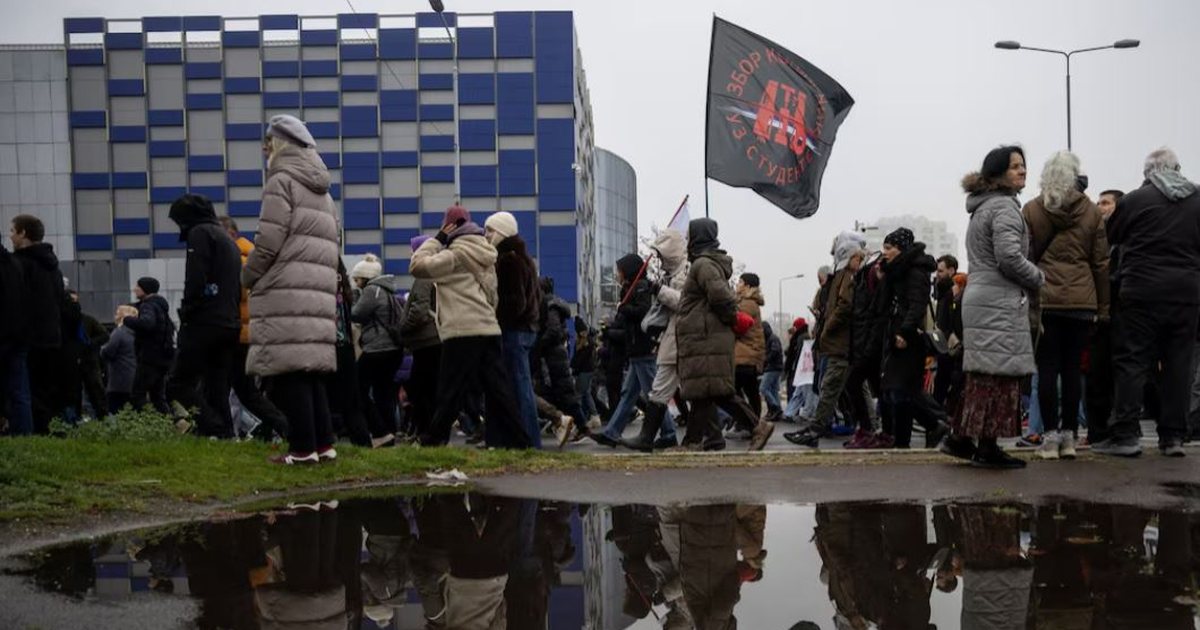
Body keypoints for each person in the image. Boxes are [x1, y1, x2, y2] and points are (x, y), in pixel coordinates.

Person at [244, 115, 341, 463]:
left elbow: (268, 240)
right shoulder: (324, 193)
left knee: (288, 374)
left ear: (279, 146)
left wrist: (249, 276)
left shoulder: (281, 181)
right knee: (310, 372)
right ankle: (323, 444)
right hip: (315, 291)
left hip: (284, 287)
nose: (265, 151)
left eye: (268, 144)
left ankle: (301, 450)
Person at [941, 145, 1044, 469]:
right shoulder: (1004, 208)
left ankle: (967, 439)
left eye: (1023, 165)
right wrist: (1038, 276)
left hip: (983, 297)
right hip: (997, 300)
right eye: (1015, 166)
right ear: (998, 173)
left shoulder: (983, 207)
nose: (1022, 171)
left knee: (986, 375)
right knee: (999, 376)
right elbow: (1009, 257)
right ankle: (983, 446)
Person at [1096, 148, 1200, 458]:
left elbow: (1111, 234)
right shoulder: (1197, 199)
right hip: (1186, 293)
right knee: (1179, 364)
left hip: (1141, 291)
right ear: (1177, 169)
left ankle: (1127, 435)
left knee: (1132, 361)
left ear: (1148, 174)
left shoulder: (1136, 200)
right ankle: (1173, 438)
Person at [410, 205, 531, 449]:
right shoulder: (487, 254)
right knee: (499, 389)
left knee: (450, 388)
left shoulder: (453, 256)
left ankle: (434, 439)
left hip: (461, 329)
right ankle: (521, 441)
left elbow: (417, 266)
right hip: (487, 327)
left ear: (450, 227)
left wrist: (438, 239)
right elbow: (493, 294)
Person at [1021, 151, 1110, 460]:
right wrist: (1103, 307)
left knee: (1046, 370)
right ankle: (1070, 437)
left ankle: (1048, 439)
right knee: (1072, 370)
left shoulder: (1032, 209)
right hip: (1082, 302)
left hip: (1046, 300)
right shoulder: (1091, 211)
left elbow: (1025, 257)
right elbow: (1100, 263)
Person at [676, 218, 768, 451]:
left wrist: (731, 319)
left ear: (698, 237)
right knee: (704, 393)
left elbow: (720, 297)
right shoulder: (706, 263)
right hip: (705, 338)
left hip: (706, 339)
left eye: (690, 235)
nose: (687, 240)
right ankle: (692, 442)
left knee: (717, 392)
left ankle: (757, 426)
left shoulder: (703, 264)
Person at [165, 193, 242, 438]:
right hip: (229, 322)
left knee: (178, 383)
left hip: (204, 321)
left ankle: (211, 427)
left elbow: (195, 279)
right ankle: (225, 434)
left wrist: (187, 310)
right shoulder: (226, 239)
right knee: (216, 386)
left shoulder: (199, 235)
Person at [786, 233, 864, 447]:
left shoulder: (847, 277)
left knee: (832, 387)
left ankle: (818, 429)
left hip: (841, 344)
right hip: (836, 344)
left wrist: (827, 328)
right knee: (836, 388)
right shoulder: (840, 277)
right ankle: (822, 428)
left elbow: (843, 307)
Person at [217, 215, 288, 442]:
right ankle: (280, 428)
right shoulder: (250, 257)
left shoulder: (234, 260)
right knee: (244, 391)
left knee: (233, 390)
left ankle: (227, 433)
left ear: (230, 234)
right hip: (249, 332)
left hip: (237, 332)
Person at [875, 228, 945, 449]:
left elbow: (916, 307)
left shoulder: (915, 272)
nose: (884, 252)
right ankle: (921, 432)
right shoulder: (894, 271)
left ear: (901, 248)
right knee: (897, 391)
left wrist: (904, 332)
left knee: (901, 391)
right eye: (884, 248)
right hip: (894, 334)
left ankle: (931, 425)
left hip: (908, 339)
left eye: (889, 248)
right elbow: (883, 305)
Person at [620, 229, 689, 452]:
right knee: (661, 389)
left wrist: (658, 290)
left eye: (661, 254)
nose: (658, 259)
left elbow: (683, 302)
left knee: (703, 391)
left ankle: (651, 437)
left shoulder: (684, 272)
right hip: (673, 337)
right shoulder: (673, 273)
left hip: (681, 337)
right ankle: (649, 437)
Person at [484, 211, 543, 448]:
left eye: (490, 230)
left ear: (501, 232)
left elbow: (514, 302)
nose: (486, 235)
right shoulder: (523, 258)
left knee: (518, 387)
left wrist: (496, 319)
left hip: (513, 331)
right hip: (524, 329)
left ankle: (528, 441)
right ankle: (520, 440)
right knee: (517, 386)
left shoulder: (507, 260)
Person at [11, 214, 72, 433]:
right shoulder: (52, 267)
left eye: (13, 231)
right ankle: (45, 429)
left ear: (23, 233)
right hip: (52, 335)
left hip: (28, 336)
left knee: (25, 389)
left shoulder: (20, 264)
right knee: (45, 389)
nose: (10, 235)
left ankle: (30, 432)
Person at [594, 253, 658, 447]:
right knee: (629, 394)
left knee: (655, 397)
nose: (617, 274)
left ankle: (669, 431)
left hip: (641, 346)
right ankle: (612, 432)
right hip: (635, 347)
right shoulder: (630, 289)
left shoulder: (641, 288)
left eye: (620, 270)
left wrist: (624, 309)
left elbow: (642, 312)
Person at [350, 253, 406, 447]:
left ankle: (379, 430)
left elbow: (356, 314)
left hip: (376, 349)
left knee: (358, 390)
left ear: (365, 277)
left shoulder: (371, 290)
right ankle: (388, 433)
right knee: (384, 393)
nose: (355, 283)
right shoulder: (388, 290)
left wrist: (354, 297)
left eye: (357, 279)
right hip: (393, 349)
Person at [532, 276, 592, 447]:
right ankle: (573, 424)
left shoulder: (550, 306)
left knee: (562, 394)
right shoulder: (553, 305)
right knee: (560, 394)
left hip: (552, 358)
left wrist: (537, 344)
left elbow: (553, 331)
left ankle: (577, 425)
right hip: (554, 356)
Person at [1086, 189, 1124, 445]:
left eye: (1106, 202)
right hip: (1100, 316)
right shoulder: (1095, 237)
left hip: (1120, 314)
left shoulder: (1125, 239)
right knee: (1097, 376)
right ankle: (1098, 430)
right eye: (1099, 202)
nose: (1101, 207)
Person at [843, 253, 888, 448]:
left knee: (854, 383)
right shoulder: (862, 279)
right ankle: (877, 430)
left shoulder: (871, 278)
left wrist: (867, 347)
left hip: (869, 345)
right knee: (880, 388)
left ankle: (869, 429)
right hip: (864, 343)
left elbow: (872, 316)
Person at [400, 235, 441, 444]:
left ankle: (427, 433)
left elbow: (419, 310)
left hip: (426, 340)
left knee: (422, 389)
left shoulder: (424, 277)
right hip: (430, 340)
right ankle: (427, 432)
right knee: (425, 388)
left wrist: (403, 327)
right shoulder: (432, 275)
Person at [123, 276, 174, 414]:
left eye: (138, 287)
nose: (135, 289)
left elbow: (147, 323)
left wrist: (126, 319)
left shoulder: (148, 305)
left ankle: (150, 422)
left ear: (145, 289)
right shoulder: (161, 306)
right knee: (158, 397)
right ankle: (173, 425)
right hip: (163, 359)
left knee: (137, 395)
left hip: (149, 358)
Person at [0, 238, 29, 435]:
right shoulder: (15, 263)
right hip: (18, 333)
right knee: (19, 390)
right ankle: (23, 434)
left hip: (3, 333)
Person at [70, 289, 110, 419]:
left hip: (89, 360)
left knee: (95, 389)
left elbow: (104, 335)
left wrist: (90, 344)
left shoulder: (88, 320)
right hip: (73, 360)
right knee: (74, 392)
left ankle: (101, 416)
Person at [733, 273, 767, 419]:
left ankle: (747, 422)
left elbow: (738, 325)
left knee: (731, 391)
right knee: (751, 391)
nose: (737, 285)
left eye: (740, 282)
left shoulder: (746, 304)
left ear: (747, 286)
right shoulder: (750, 303)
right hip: (750, 353)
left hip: (745, 354)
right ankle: (755, 423)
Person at [932, 254, 959, 406]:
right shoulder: (942, 292)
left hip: (949, 344)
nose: (938, 275)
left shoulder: (953, 292)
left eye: (941, 271)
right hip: (942, 342)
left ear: (951, 270)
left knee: (944, 380)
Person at [101, 305, 139, 414]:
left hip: (118, 379)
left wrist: (102, 349)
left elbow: (108, 351)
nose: (115, 315)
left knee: (115, 409)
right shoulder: (137, 333)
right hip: (134, 377)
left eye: (117, 313)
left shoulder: (119, 332)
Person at [570, 318, 599, 430]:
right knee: (586, 393)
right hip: (586, 371)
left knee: (579, 395)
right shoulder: (587, 342)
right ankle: (594, 416)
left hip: (584, 371)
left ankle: (580, 420)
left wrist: (573, 367)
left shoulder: (586, 343)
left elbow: (579, 359)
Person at [759, 321, 784, 421]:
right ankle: (777, 411)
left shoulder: (772, 338)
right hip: (774, 367)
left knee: (763, 388)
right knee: (773, 390)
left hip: (773, 367)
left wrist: (765, 360)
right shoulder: (770, 338)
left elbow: (775, 351)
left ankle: (775, 407)